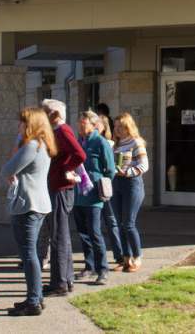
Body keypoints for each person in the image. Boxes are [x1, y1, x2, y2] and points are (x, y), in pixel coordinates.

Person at [2, 107, 56, 317]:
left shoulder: (32, 145)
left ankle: (33, 300)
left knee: (29, 254)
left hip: (28, 205)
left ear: (32, 124)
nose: (20, 126)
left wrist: (17, 145)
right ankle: (36, 297)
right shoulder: (42, 145)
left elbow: (7, 169)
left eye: (23, 122)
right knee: (31, 252)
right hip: (38, 203)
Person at [40, 98, 85, 296]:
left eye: (45, 111)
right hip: (58, 186)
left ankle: (59, 283)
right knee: (61, 235)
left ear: (54, 114)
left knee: (58, 235)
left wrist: (66, 168)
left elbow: (80, 154)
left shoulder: (63, 130)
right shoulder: (56, 131)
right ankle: (66, 280)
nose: (42, 115)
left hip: (60, 187)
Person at [72, 110, 116, 285]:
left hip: (94, 195)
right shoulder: (78, 142)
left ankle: (102, 269)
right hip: (78, 194)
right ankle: (89, 266)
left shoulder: (100, 142)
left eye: (83, 123)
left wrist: (100, 184)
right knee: (83, 233)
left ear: (93, 124)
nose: (80, 127)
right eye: (79, 123)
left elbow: (110, 170)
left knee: (95, 232)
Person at [112, 112, 148, 272]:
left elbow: (144, 165)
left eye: (121, 127)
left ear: (129, 127)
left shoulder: (136, 142)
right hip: (117, 184)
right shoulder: (116, 144)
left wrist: (127, 173)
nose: (118, 130)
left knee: (128, 223)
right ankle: (126, 259)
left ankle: (137, 257)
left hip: (132, 184)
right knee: (119, 223)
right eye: (116, 126)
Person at [94, 104, 124, 269]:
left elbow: (111, 168)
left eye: (97, 124)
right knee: (97, 223)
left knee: (111, 221)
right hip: (96, 188)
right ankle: (97, 257)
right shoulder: (89, 142)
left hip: (107, 188)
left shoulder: (110, 144)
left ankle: (119, 254)